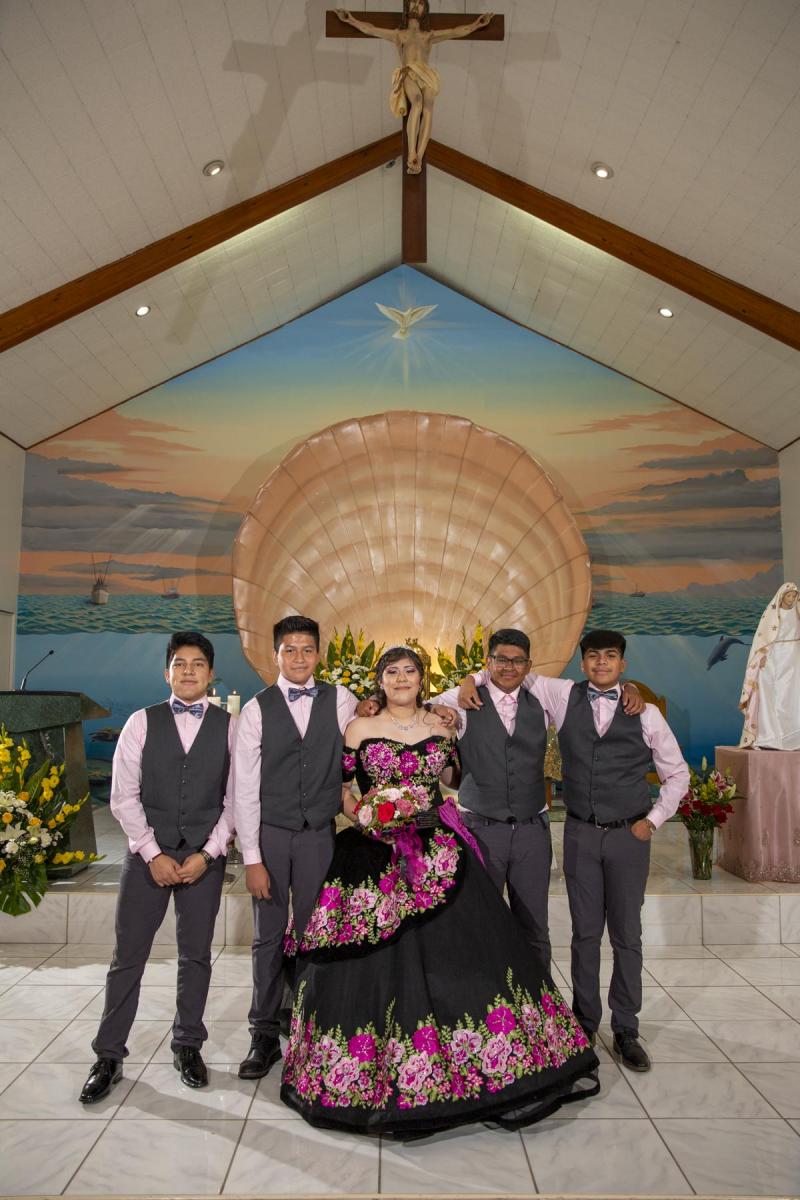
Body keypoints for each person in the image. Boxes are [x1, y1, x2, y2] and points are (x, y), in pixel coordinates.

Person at [280, 645, 599, 1137]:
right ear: (380, 680)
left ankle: (476, 1054)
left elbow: (452, 779)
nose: (400, 678)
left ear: (421, 678)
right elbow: (342, 789)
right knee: (373, 960)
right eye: (392, 671)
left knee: (463, 952)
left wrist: (449, 720)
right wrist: (365, 814)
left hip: (437, 848)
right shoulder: (359, 728)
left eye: (409, 671)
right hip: (372, 851)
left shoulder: (444, 724)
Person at [232, 616, 457, 1080]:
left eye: (306, 649)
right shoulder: (255, 710)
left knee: (316, 931)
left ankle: (313, 1022)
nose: (298, 658)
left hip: (319, 834)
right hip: (273, 832)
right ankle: (263, 1033)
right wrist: (251, 857)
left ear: (318, 655)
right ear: (275, 654)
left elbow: (390, 707)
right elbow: (244, 788)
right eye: (289, 649)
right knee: (268, 936)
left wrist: (442, 709)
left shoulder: (341, 699)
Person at [459, 630, 689, 1071]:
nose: (601, 663)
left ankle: (626, 1028)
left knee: (627, 935)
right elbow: (507, 672)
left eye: (610, 656)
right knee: (584, 934)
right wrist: (471, 680)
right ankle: (583, 1022)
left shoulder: (645, 713)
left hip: (628, 835)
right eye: (593, 656)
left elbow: (677, 773)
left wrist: (653, 820)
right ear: (582, 664)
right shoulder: (561, 694)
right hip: (580, 832)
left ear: (622, 665)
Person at [79, 632, 234, 1103]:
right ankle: (108, 1055)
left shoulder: (231, 727)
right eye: (179, 663)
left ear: (211, 673)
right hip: (148, 855)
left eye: (197, 663)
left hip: (204, 857)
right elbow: (122, 797)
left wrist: (208, 853)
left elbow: (237, 800)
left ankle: (188, 1045)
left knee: (196, 955)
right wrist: (152, 853)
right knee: (128, 957)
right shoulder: (140, 723)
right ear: (166, 673)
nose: (188, 671)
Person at [435, 628, 643, 975]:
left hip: (532, 830)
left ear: (529, 665)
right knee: (479, 922)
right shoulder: (461, 700)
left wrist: (631, 687)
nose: (509, 667)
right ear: (489, 662)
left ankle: (539, 1004)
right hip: (480, 828)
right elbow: (422, 708)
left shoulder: (545, 695)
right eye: (501, 660)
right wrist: (470, 680)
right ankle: (484, 1002)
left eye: (518, 661)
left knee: (534, 927)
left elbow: (593, 687)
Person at [336, 2, 493, 173]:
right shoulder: (399, 35)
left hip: (427, 74)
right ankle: (411, 153)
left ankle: (419, 155)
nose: (416, 6)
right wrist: (351, 20)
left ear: (425, 10)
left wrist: (476, 25)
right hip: (409, 72)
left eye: (420, 3)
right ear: (407, 7)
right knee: (417, 103)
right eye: (413, 2)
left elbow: (455, 31)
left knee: (428, 109)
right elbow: (371, 29)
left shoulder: (429, 35)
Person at [739, 581, 800, 750]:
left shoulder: (797, 612)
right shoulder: (773, 614)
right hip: (776, 657)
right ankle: (770, 736)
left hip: (793, 657)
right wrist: (763, 656)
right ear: (781, 597)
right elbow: (764, 638)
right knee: (773, 693)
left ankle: (793, 735)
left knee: (793, 695)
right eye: (789, 595)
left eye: (794, 596)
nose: (791, 599)